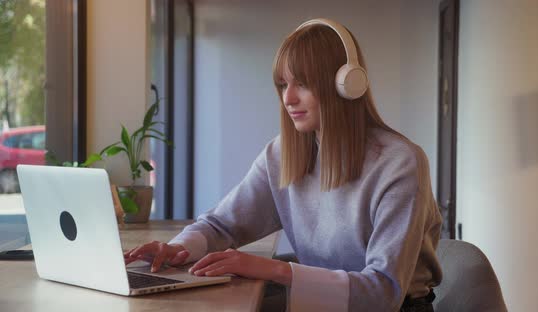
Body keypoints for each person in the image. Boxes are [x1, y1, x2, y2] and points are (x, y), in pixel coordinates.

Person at [124, 18, 442, 312]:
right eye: (282, 85)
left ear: (346, 84)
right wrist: (177, 248)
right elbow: (221, 225)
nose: (288, 98)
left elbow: (382, 293)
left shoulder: (399, 163)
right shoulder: (282, 154)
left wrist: (274, 269)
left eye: (301, 83)